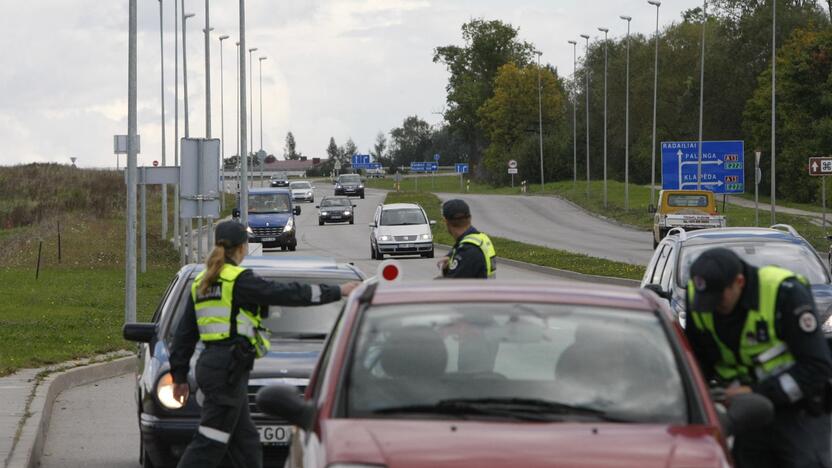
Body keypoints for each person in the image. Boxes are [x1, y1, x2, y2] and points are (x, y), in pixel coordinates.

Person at [169, 221, 359, 468]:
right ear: (242, 248)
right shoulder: (239, 281)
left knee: (246, 444)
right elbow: (286, 293)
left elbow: (184, 336)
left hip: (218, 367)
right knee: (210, 440)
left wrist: (179, 376)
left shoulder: (203, 282)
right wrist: (337, 291)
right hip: (226, 370)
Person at [685, 247, 832, 468]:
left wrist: (754, 393)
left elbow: (817, 367)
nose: (712, 307)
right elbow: (697, 361)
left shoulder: (784, 293)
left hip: (798, 412)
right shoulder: (699, 297)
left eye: (719, 298)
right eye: (707, 300)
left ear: (740, 282)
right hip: (747, 413)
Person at [437, 199, 496, 279]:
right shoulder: (480, 239)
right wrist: (450, 258)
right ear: (470, 218)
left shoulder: (468, 250)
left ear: (445, 221)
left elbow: (452, 287)